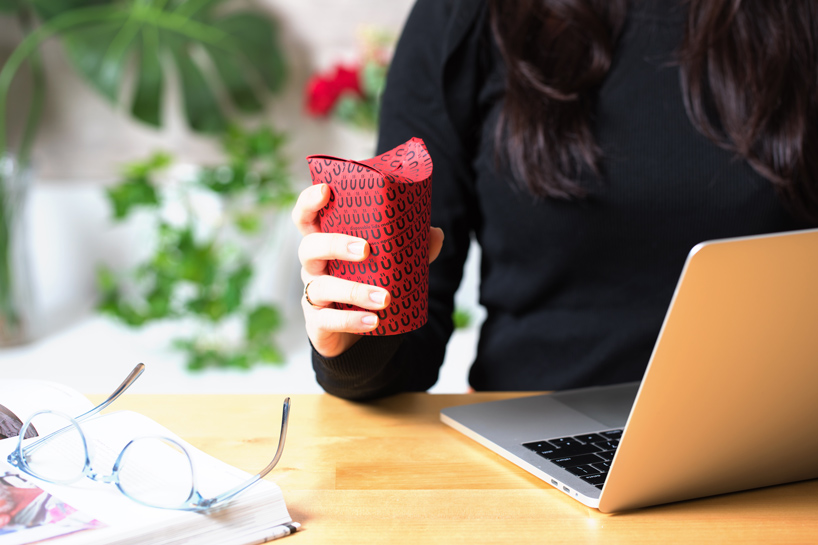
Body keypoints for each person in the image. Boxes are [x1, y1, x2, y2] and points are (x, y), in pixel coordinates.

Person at [292, 0, 818, 400]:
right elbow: (406, 355)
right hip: (538, 456)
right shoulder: (465, 15)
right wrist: (350, 337)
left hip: (776, 456)